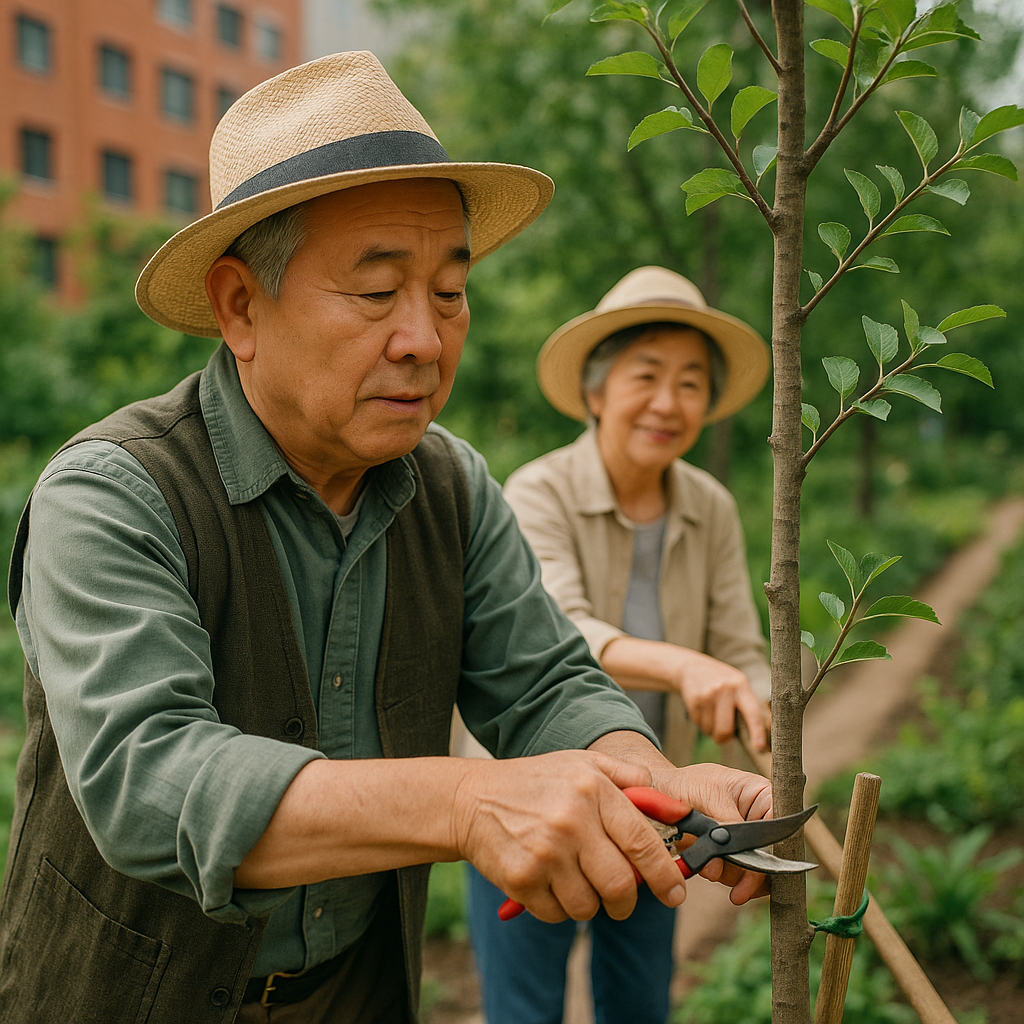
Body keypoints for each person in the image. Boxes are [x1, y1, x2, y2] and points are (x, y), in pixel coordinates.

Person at [0, 55, 772, 1024]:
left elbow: (543, 682)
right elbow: (148, 776)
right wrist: (463, 803)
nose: (423, 338)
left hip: (353, 993)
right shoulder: (113, 491)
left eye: (449, 293)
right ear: (241, 305)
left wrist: (663, 782)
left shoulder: (448, 486)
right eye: (375, 293)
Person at [467, 266, 773, 1024]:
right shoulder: (537, 491)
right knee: (524, 1007)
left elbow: (743, 647)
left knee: (639, 1003)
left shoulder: (710, 508)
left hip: (658, 808)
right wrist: (683, 666)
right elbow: (554, 627)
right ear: (597, 392)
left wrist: (761, 722)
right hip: (532, 795)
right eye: (647, 375)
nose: (669, 403)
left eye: (692, 383)